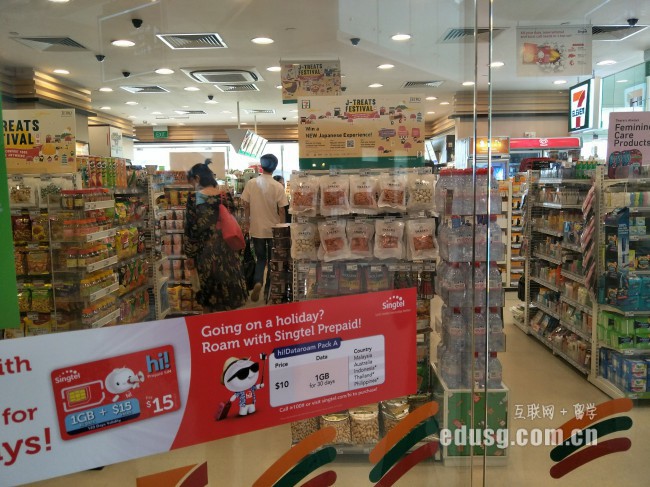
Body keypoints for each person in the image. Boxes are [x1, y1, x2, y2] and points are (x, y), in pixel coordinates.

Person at [183, 161, 248, 312]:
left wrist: (190, 255)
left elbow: (191, 230)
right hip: (228, 251)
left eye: (192, 182)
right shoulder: (225, 196)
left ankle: (210, 325)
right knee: (228, 295)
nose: (193, 186)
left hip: (205, 254)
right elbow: (233, 221)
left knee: (208, 298)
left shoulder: (194, 199)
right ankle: (228, 324)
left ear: (197, 178)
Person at [241, 154, 288, 302]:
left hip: (257, 229)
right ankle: (268, 290)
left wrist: (247, 223)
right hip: (274, 229)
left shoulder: (251, 183)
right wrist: (282, 228)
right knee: (273, 260)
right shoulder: (277, 186)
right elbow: (282, 210)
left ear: (261, 166)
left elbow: (246, 205)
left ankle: (258, 282)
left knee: (261, 259)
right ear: (275, 167)